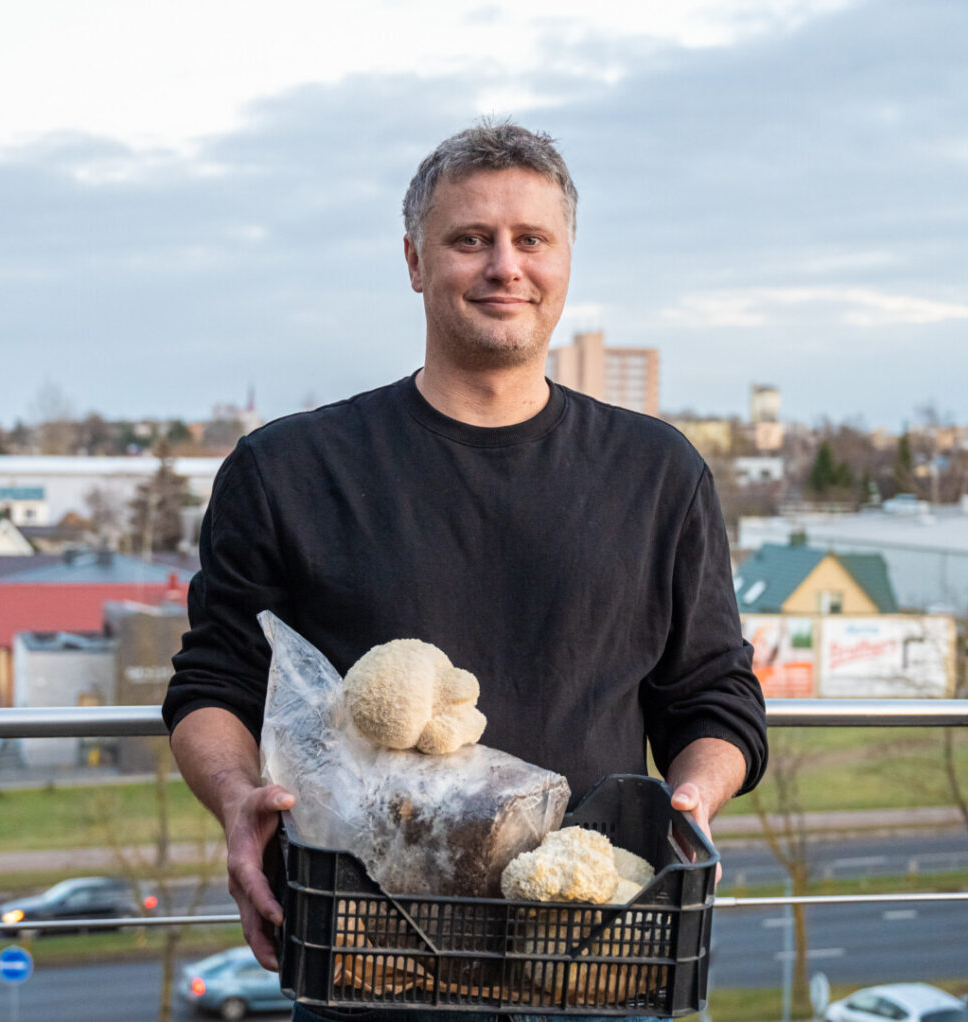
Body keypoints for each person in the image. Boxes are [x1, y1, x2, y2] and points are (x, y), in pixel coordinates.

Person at [164, 122, 767, 993]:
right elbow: (214, 683)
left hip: (591, 957)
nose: (505, 267)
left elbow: (712, 693)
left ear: (567, 261)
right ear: (415, 261)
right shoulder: (287, 470)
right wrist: (235, 802)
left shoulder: (658, 473)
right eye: (471, 240)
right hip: (365, 958)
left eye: (532, 240)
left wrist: (693, 804)